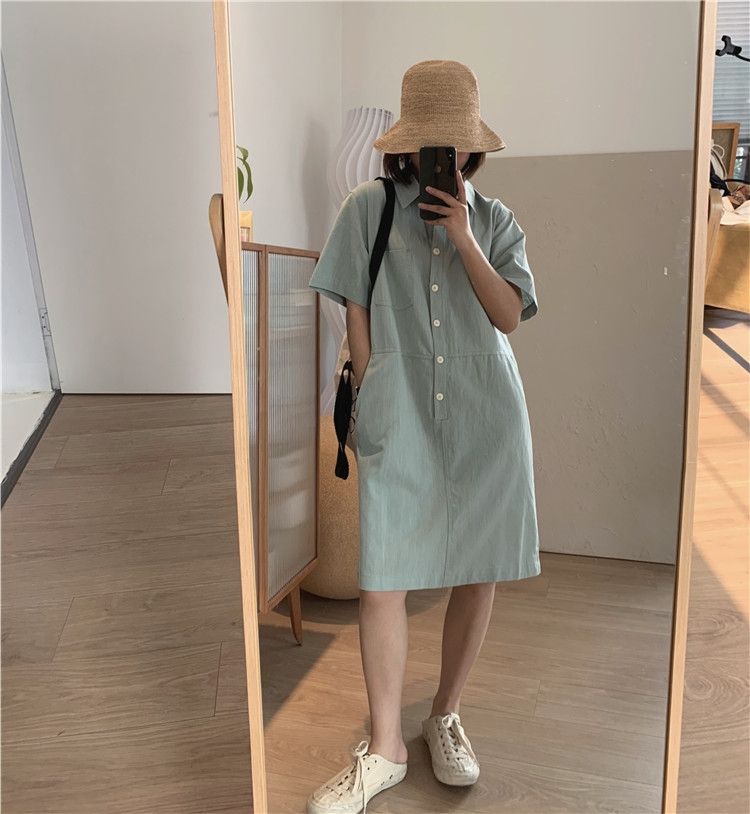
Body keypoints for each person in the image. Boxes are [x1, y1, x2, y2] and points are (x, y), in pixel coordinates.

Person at [306, 60, 541, 814]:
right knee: (383, 574)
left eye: (454, 143)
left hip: (486, 416)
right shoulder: (366, 209)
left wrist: (465, 238)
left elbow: (509, 316)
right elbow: (354, 306)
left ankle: (445, 714)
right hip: (398, 409)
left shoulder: (497, 221)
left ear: (470, 148)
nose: (443, 156)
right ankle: (385, 746)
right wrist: (373, 387)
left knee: (479, 568)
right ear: (406, 144)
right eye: (430, 142)